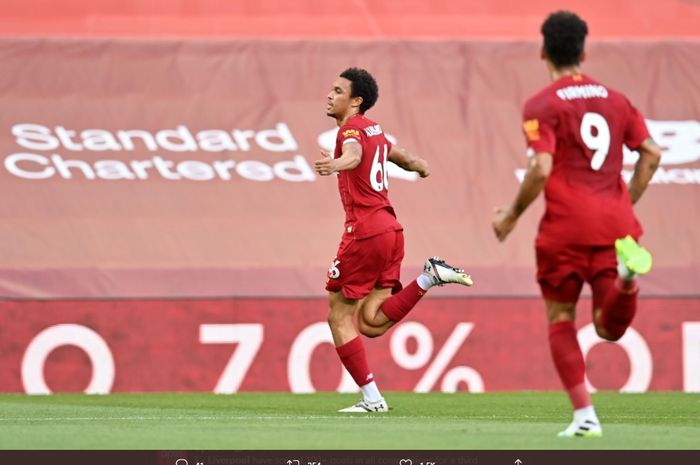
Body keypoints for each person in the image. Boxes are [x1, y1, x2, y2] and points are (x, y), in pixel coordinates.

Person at [492, 11, 661, 437]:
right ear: (584, 50)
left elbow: (541, 166)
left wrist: (511, 214)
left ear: (543, 50)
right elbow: (652, 153)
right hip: (615, 228)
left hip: (565, 230)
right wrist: (625, 202)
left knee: (561, 316)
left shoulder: (542, 104)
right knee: (609, 327)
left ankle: (585, 416)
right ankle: (627, 278)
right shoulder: (617, 100)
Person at [314, 67, 474, 413]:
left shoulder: (352, 130)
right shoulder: (375, 130)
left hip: (366, 232)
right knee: (371, 322)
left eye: (338, 91)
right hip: (391, 231)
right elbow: (405, 158)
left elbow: (354, 156)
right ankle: (429, 276)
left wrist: (336, 165)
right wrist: (421, 167)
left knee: (338, 316)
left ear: (356, 101)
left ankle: (372, 399)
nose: (330, 95)